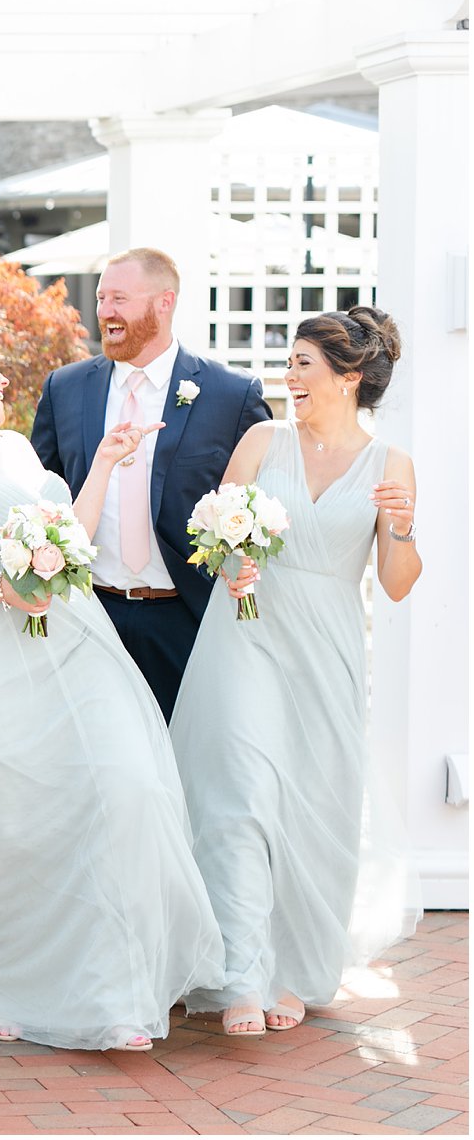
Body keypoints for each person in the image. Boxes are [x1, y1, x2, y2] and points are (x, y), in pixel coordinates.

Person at [0, 329, 223, 1051]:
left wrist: (103, 465)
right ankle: (4, 983)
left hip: (67, 645)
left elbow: (70, 540)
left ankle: (117, 990)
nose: (6, 378)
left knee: (122, 791)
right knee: (7, 823)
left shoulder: (17, 450)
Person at [172, 308, 422, 1037]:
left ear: (349, 378)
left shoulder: (392, 466)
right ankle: (241, 974)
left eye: (304, 365)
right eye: (290, 363)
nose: (290, 378)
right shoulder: (261, 441)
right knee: (239, 797)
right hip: (246, 634)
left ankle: (295, 969)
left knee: (313, 808)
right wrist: (230, 561)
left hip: (329, 646)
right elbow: (211, 538)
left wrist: (403, 528)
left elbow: (398, 583)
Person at [30, 247, 270, 718]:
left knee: (185, 765)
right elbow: (41, 493)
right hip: (89, 614)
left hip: (185, 618)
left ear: (165, 302)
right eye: (101, 299)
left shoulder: (231, 395)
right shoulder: (65, 387)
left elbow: (262, 501)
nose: (104, 312)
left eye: (119, 299)